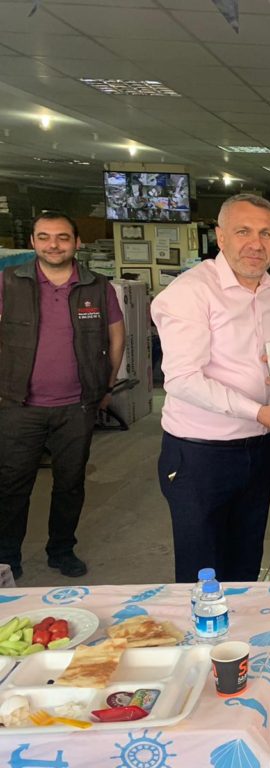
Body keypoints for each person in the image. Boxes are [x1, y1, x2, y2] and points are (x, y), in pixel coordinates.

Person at [151, 193, 270, 584]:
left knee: (246, 563)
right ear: (220, 236)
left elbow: (257, 356)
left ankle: (240, 625)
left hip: (258, 447)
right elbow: (183, 379)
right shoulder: (190, 292)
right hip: (201, 454)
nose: (256, 243)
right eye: (243, 231)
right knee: (203, 575)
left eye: (266, 233)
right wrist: (258, 412)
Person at [0, 212, 125, 579]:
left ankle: (61, 550)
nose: (53, 245)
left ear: (76, 242)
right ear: (32, 242)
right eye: (44, 237)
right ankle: (7, 557)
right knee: (12, 485)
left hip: (77, 405)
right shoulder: (8, 282)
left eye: (62, 237)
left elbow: (116, 338)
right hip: (18, 405)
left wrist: (106, 387)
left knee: (70, 484)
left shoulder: (98, 287)